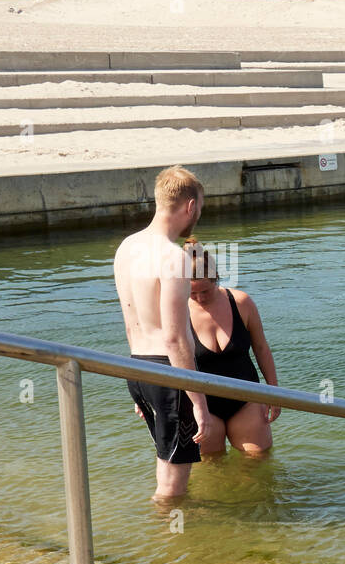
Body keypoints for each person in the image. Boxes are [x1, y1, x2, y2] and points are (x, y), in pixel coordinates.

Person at [114, 165, 212, 501]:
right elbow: (174, 337)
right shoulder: (174, 258)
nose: (198, 213)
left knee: (165, 463)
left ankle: (170, 545)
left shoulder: (126, 248)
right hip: (169, 376)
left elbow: (130, 321)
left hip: (138, 366)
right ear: (189, 206)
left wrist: (140, 382)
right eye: (199, 206)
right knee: (173, 487)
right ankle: (167, 547)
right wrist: (199, 401)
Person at [186, 238, 279, 458]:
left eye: (205, 291)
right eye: (192, 293)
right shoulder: (177, 313)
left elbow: (261, 348)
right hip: (204, 406)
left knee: (259, 463)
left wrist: (274, 392)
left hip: (247, 397)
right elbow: (164, 358)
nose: (199, 298)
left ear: (216, 278)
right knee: (212, 470)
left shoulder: (242, 302)